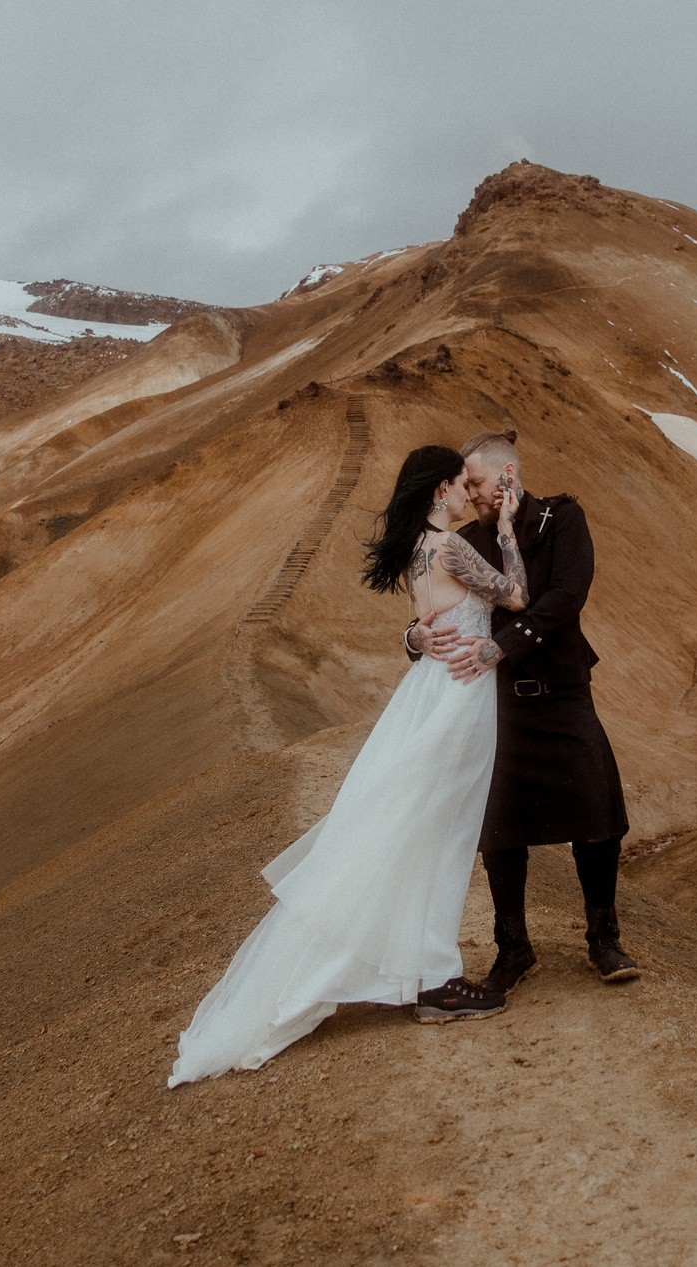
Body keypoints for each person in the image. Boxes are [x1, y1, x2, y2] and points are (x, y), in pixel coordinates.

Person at [168, 444, 528, 1087]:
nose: (460, 494)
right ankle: (437, 981)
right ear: (441, 490)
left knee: (416, 831)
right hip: (458, 697)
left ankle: (429, 973)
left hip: (427, 696)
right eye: (456, 485)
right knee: (442, 836)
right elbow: (518, 596)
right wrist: (505, 532)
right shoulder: (450, 547)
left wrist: (417, 637)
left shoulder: (417, 550)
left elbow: (428, 622)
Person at [410, 430, 638, 991]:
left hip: (562, 693)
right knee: (500, 829)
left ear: (507, 478)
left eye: (478, 483)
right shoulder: (467, 541)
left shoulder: (563, 520)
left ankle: (603, 939)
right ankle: (513, 949)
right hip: (497, 707)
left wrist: (503, 646)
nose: (471, 492)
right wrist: (415, 637)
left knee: (596, 817)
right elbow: (439, 610)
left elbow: (566, 596)